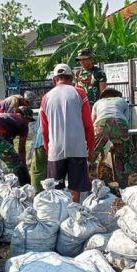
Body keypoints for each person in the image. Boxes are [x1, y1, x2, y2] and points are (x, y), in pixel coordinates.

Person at [40, 63, 95, 203]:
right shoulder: (80, 93)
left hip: (55, 149)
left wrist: (47, 149)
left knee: (55, 189)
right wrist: (91, 148)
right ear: (71, 78)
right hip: (77, 148)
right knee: (75, 187)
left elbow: (44, 130)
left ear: (54, 80)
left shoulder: (46, 98)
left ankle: (59, 214)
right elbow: (88, 125)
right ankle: (74, 210)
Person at [91, 88, 132, 187]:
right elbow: (126, 120)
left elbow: (92, 121)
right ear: (116, 95)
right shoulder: (122, 101)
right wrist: (116, 141)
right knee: (121, 156)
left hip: (102, 124)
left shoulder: (98, 102)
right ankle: (123, 187)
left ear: (104, 96)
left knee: (93, 155)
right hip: (120, 123)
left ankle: (91, 183)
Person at [28, 112, 47, 193]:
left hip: (42, 142)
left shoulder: (46, 102)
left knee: (37, 170)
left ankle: (37, 194)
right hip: (62, 142)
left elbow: (37, 129)